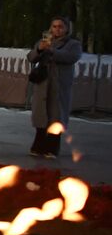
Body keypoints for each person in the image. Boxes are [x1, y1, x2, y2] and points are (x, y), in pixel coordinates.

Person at [27, 15, 83, 159]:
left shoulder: (73, 44)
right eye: (54, 26)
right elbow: (31, 57)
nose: (57, 29)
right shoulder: (44, 41)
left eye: (60, 27)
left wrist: (52, 51)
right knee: (40, 115)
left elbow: (71, 57)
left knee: (56, 116)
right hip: (43, 84)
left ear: (66, 29)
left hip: (59, 86)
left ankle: (52, 148)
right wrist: (39, 49)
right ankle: (38, 145)